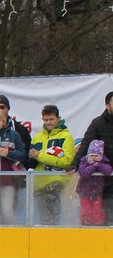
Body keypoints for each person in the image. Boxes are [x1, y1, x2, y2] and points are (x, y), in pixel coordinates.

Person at [69, 91, 113, 221]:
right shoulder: (98, 123)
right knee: (104, 212)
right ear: (107, 106)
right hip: (102, 179)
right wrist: (74, 164)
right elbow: (85, 144)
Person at [28, 104, 75, 225]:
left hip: (56, 180)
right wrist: (31, 157)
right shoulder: (37, 137)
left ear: (58, 118)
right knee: (43, 216)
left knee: (53, 214)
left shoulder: (66, 136)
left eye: (52, 119)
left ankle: (55, 236)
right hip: (39, 181)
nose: (49, 122)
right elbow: (31, 163)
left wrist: (40, 155)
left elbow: (66, 161)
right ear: (42, 119)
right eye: (46, 119)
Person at [76, 140, 111, 226]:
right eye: (92, 155)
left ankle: (98, 224)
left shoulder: (104, 162)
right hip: (84, 191)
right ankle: (85, 223)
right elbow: (83, 172)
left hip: (97, 191)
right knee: (86, 208)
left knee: (97, 209)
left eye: (96, 156)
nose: (94, 158)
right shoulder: (84, 161)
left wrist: (99, 165)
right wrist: (93, 166)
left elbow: (108, 171)